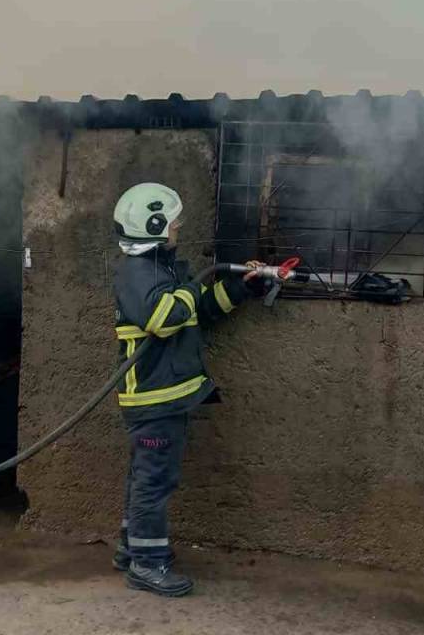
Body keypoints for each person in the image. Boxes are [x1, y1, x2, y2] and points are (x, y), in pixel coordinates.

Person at [109, 183, 260, 597]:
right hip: (153, 398)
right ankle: (147, 564)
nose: (179, 226)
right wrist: (198, 284)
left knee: (146, 475)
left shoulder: (163, 268)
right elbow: (166, 317)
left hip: (168, 394)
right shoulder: (137, 273)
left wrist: (241, 287)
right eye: (174, 221)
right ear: (155, 226)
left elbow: (201, 311)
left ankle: (130, 548)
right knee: (154, 481)